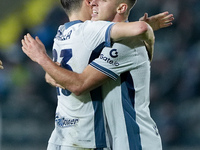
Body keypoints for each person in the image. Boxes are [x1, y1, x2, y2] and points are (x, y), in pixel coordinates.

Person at [22, 0, 156, 149]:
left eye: (103, 0)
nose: (95, 3)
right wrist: (53, 74)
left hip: (136, 141)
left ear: (121, 7)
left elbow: (79, 84)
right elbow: (62, 75)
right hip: (115, 141)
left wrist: (42, 59)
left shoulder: (124, 42)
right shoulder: (96, 40)